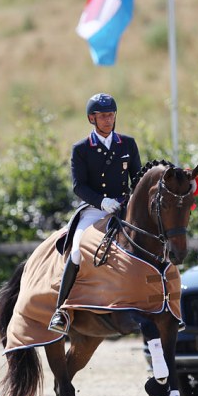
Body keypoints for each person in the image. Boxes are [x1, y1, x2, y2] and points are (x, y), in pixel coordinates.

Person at [48, 93, 142, 333]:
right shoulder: (81, 149)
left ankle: (161, 302)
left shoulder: (127, 144)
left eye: (111, 115)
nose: (108, 120)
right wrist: (102, 202)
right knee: (78, 250)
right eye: (103, 116)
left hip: (123, 208)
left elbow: (138, 179)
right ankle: (62, 310)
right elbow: (78, 185)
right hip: (94, 210)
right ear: (92, 118)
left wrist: (128, 202)